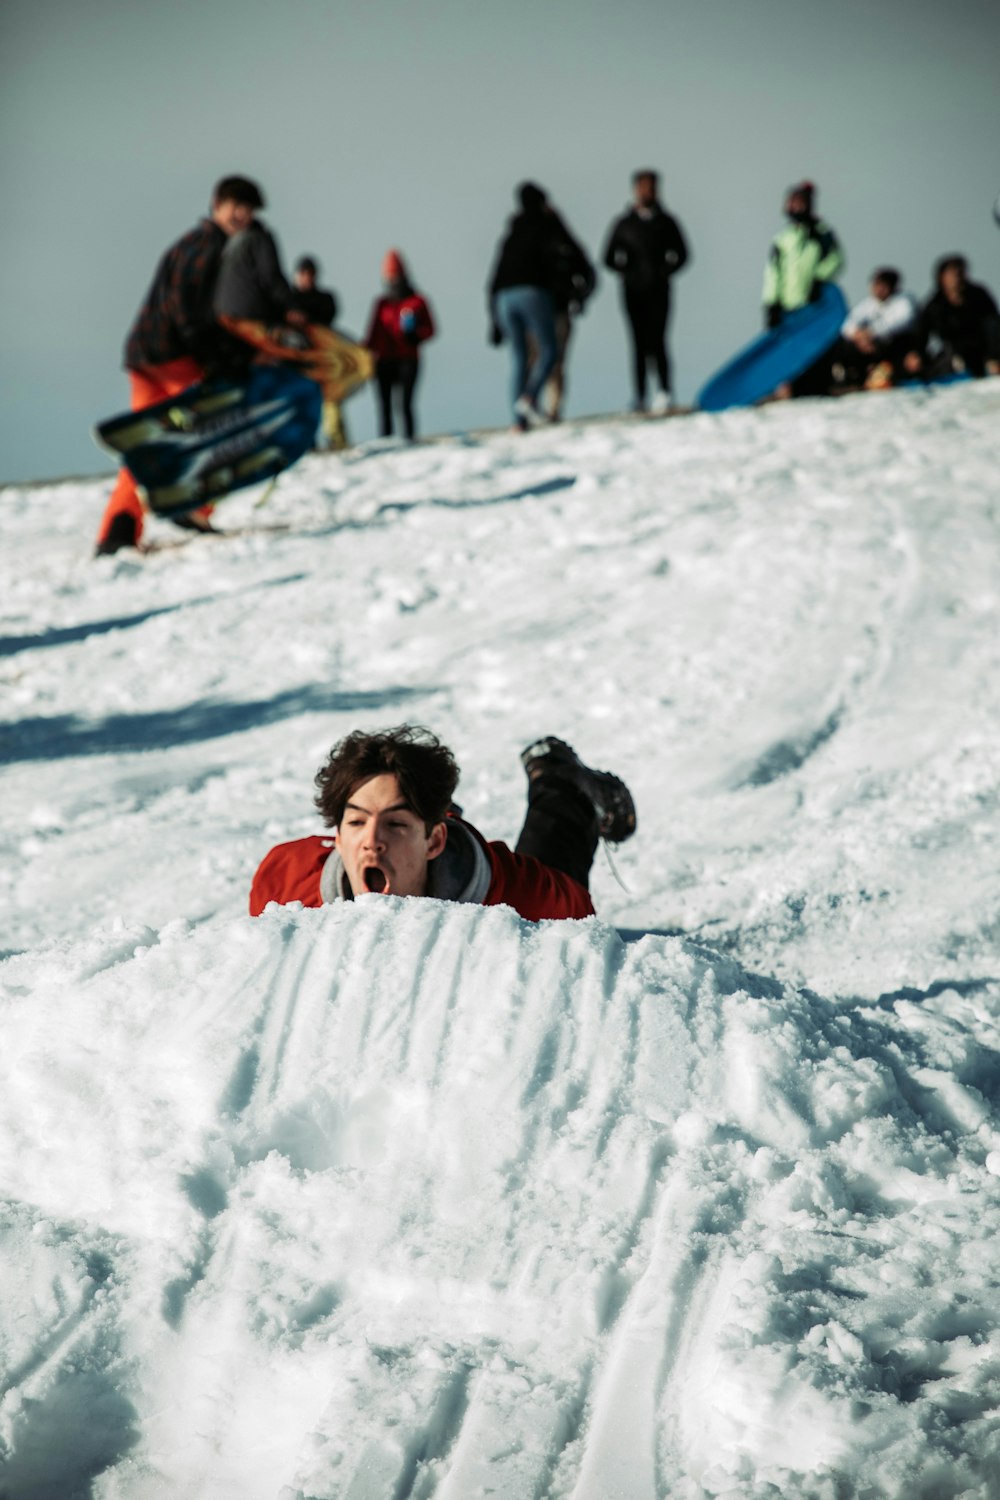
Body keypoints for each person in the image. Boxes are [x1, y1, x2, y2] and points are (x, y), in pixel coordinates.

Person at [249, 726, 636, 922]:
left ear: (434, 841)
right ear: (336, 834)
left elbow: (579, 920)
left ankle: (559, 779)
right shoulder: (288, 887)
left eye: (395, 825)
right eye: (355, 821)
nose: (371, 841)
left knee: (556, 840)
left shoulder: (510, 898)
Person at [94, 175, 266, 556]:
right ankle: (192, 506)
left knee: (146, 441)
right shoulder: (209, 246)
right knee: (212, 428)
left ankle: (119, 528)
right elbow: (186, 309)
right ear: (216, 204)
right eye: (235, 205)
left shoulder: (192, 243)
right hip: (172, 357)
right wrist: (219, 357)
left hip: (143, 355)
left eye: (248, 209)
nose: (242, 215)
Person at [487, 182, 577, 430]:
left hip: (503, 298)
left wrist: (493, 321)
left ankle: (519, 420)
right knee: (549, 351)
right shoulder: (547, 226)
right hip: (533, 293)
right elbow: (569, 255)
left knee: (520, 359)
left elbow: (495, 276)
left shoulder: (511, 234)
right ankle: (530, 397)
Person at [602, 170, 689, 414]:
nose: (647, 192)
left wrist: (665, 271)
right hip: (633, 292)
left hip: (660, 290)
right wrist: (626, 271)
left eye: (651, 187)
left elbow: (683, 254)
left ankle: (664, 391)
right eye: (643, 187)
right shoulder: (624, 223)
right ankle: (639, 395)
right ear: (635, 190)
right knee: (638, 343)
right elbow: (607, 257)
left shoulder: (667, 222)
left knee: (659, 341)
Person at [762, 180, 844, 397]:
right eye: (792, 203)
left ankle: (818, 386)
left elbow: (836, 259)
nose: (795, 207)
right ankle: (793, 388)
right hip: (788, 306)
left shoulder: (821, 232)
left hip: (813, 305)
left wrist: (819, 279)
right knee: (790, 352)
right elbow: (773, 273)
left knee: (816, 350)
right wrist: (771, 303)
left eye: (800, 202)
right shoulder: (782, 239)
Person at [364, 251, 436, 440]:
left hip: (408, 360)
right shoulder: (381, 304)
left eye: (396, 276)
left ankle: (409, 439)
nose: (393, 280)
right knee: (384, 406)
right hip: (384, 361)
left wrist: (416, 335)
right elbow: (372, 335)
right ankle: (385, 442)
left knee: (405, 404)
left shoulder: (418, 301)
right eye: (389, 276)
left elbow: (431, 329)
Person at [904, 255, 1000, 381]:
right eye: (951, 274)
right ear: (941, 277)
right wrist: (915, 353)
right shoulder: (935, 304)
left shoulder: (979, 296)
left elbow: (994, 327)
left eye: (960, 273)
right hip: (954, 354)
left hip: (984, 351)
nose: (956, 278)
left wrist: (994, 357)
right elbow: (922, 333)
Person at [290, 256, 349, 450]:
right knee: (303, 404)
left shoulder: (325, 298)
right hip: (299, 363)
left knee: (331, 403)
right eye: (303, 273)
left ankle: (337, 442)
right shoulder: (289, 300)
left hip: (325, 361)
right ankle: (307, 444)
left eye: (310, 273)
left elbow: (327, 317)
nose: (307, 278)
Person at [830, 268, 919, 391]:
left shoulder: (904, 301)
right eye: (876, 285)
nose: (879, 289)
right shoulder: (869, 303)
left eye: (883, 285)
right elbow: (848, 325)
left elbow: (898, 323)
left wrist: (871, 333)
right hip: (870, 347)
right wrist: (858, 336)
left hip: (896, 348)